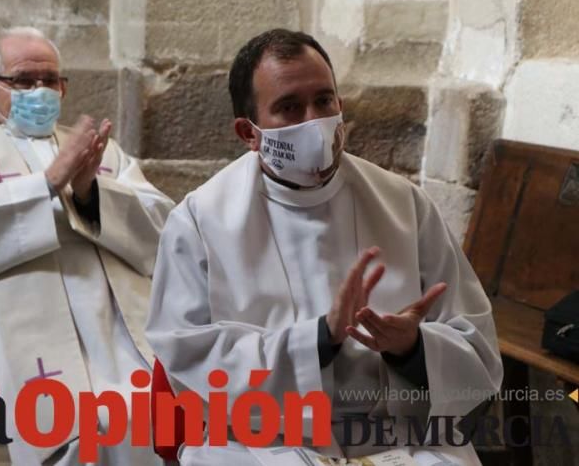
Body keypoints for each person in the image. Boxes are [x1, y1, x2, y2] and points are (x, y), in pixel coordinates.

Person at [145, 29, 502, 465]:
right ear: (248, 131)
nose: (314, 121)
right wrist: (318, 340)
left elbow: (480, 353)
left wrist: (414, 349)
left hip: (398, 438)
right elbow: (187, 359)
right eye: (290, 107)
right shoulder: (199, 221)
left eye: (324, 100)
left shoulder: (404, 205)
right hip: (264, 443)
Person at [0, 27, 174, 465]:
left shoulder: (103, 153)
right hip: (23, 327)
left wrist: (91, 192)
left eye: (50, 80)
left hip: (114, 323)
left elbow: (164, 232)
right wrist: (48, 184)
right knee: (79, 421)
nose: (40, 91)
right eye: (23, 80)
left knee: (143, 410)